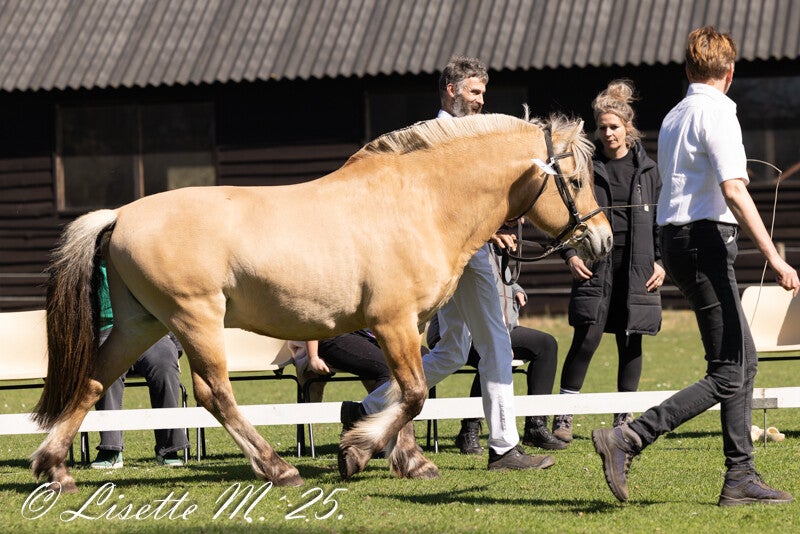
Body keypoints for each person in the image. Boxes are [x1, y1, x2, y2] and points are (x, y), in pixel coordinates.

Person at [591, 26, 799, 506]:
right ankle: (630, 437)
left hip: (679, 242)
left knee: (740, 362)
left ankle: (740, 476)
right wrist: (774, 257)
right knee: (731, 370)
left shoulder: (674, 116)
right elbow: (733, 189)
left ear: (688, 71)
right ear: (730, 73)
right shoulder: (719, 113)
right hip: (705, 243)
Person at [341, 55, 554, 471]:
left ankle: (366, 409)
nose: (480, 100)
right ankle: (504, 448)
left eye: (483, 93)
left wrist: (494, 225)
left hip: (468, 251)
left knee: (454, 350)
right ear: (452, 91)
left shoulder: (476, 139)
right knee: (495, 343)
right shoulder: (432, 139)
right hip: (449, 255)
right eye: (474, 92)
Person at [551, 79, 663, 445]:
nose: (608, 133)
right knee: (586, 339)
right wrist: (570, 255)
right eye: (602, 128)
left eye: (614, 127)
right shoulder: (584, 166)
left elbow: (661, 221)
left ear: (628, 128)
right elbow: (560, 214)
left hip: (638, 265)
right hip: (595, 263)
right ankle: (563, 416)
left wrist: (660, 261)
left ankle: (623, 419)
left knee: (631, 342)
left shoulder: (649, 170)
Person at [427, 240, 565, 453]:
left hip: (502, 328)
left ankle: (535, 425)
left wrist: (516, 289)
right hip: (460, 331)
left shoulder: (496, 247)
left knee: (545, 344)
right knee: (493, 353)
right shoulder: (471, 243)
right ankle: (469, 429)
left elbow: (500, 280)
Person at [90, 262, 189, 469]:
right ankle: (111, 449)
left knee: (165, 362)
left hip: (150, 331)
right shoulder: (91, 261)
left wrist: (175, 344)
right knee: (106, 366)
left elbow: (172, 299)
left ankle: (169, 449)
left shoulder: (147, 257)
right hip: (107, 330)